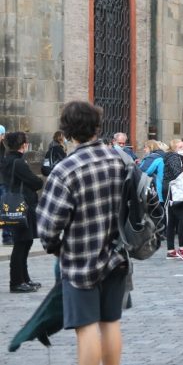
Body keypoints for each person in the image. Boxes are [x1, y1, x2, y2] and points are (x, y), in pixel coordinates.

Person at [37, 102, 131, 365]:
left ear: (67, 132)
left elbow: (48, 227)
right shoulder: (119, 160)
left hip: (79, 260)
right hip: (116, 255)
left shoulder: (66, 169)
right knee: (110, 322)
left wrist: (56, 247)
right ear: (97, 127)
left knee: (86, 326)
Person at [1, 132, 43, 293]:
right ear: (23, 145)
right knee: (21, 244)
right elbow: (36, 181)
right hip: (22, 207)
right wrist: (36, 182)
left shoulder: (8, 160)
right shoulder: (18, 162)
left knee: (25, 243)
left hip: (18, 206)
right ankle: (17, 281)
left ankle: (24, 279)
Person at [163, 139, 183, 261]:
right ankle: (182, 248)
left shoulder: (172, 157)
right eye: (180, 147)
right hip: (174, 191)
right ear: (174, 148)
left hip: (171, 190)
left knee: (172, 221)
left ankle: (171, 250)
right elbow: (176, 172)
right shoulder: (174, 157)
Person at [0, 124, 11, 247]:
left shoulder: (5, 148)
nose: (3, 137)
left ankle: (7, 236)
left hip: (3, 182)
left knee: (5, 210)